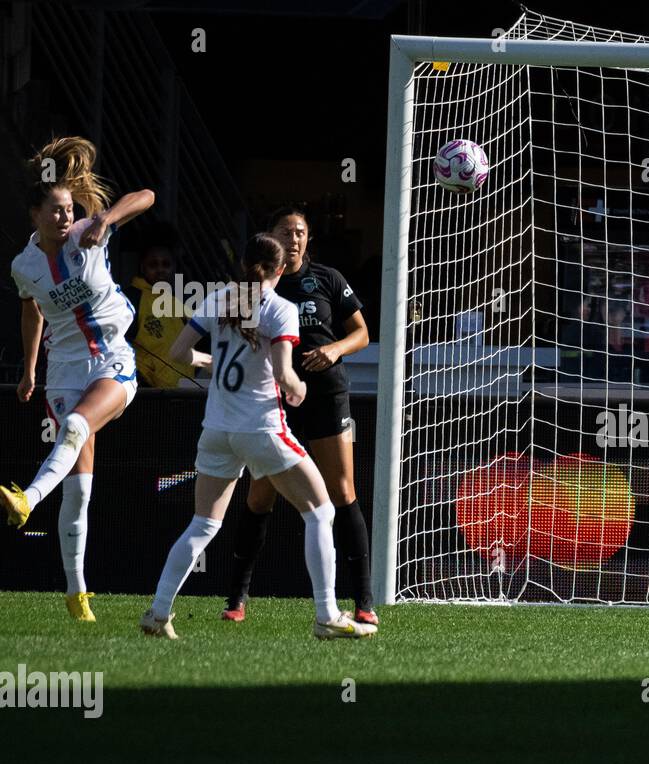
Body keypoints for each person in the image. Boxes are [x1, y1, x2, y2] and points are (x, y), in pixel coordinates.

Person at [139, 233, 376, 641]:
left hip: (216, 429)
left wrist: (210, 361)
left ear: (244, 262)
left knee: (202, 523)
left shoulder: (222, 298)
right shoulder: (280, 308)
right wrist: (298, 390)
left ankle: (158, 612)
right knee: (320, 511)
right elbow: (285, 376)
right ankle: (327, 615)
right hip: (260, 428)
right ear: (280, 270)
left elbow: (178, 353)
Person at [3, 136, 154, 622]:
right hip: (64, 370)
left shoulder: (92, 231)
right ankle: (77, 596)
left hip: (112, 358)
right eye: (55, 210)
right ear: (35, 216)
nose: (65, 218)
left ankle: (26, 498)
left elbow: (146, 195)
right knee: (80, 489)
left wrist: (106, 218)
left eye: (70, 209)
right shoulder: (24, 266)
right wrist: (29, 370)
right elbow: (31, 313)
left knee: (74, 429)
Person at [221, 207, 376, 625]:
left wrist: (334, 350)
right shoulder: (250, 290)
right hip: (272, 403)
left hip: (325, 397)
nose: (294, 239)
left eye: (301, 232)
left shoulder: (326, 279)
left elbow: (361, 333)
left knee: (342, 493)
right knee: (259, 497)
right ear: (269, 237)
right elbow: (230, 340)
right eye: (286, 232)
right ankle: (236, 599)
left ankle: (364, 600)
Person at [125, 231, 200, 388]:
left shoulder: (181, 302)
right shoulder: (131, 298)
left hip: (185, 393)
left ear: (173, 268)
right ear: (142, 268)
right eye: (153, 264)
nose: (160, 270)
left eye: (166, 264)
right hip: (147, 396)